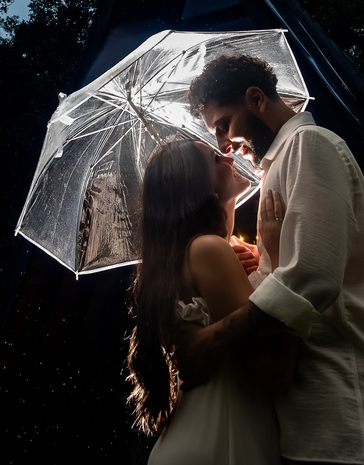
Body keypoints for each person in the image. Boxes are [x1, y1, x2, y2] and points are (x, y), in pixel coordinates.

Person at [180, 53, 364, 465]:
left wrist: (213, 338)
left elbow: (312, 276)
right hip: (314, 419)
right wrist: (263, 262)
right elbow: (300, 265)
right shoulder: (278, 164)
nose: (223, 144)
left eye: (224, 125)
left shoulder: (309, 146)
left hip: (355, 411)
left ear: (256, 98)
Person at [126, 139, 293, 465]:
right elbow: (278, 373)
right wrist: (281, 260)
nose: (229, 159)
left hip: (198, 437)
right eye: (216, 159)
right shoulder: (208, 249)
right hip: (223, 442)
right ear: (204, 191)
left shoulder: (201, 252)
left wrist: (261, 263)